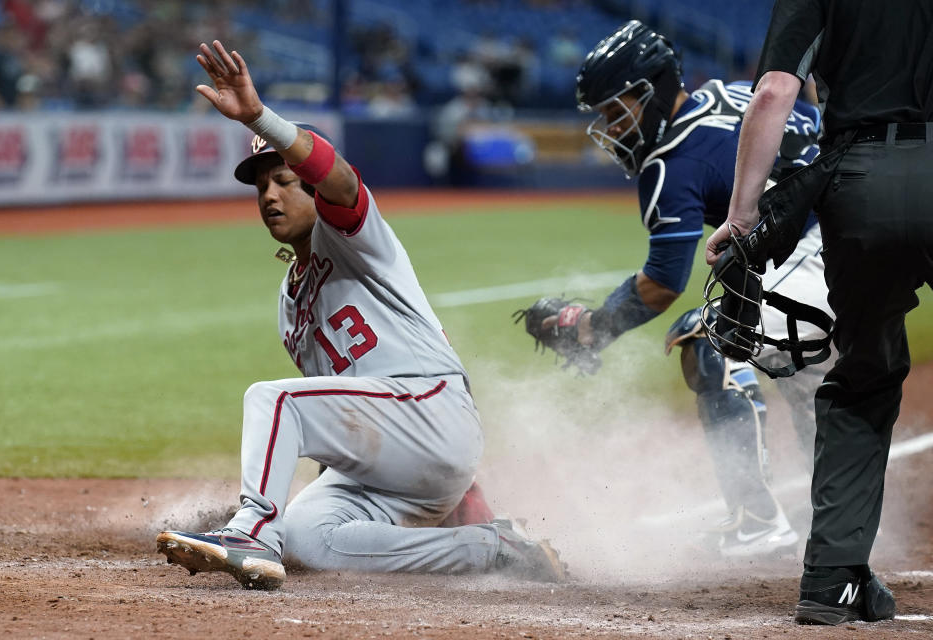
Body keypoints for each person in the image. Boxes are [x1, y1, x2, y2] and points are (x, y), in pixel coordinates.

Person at [155, 40, 565, 590]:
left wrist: (259, 118)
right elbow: (340, 423)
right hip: (395, 457)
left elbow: (341, 181)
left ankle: (251, 530)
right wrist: (470, 501)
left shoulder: (353, 235)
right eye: (259, 186)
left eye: (282, 180)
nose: (268, 196)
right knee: (310, 536)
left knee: (273, 399)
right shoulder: (289, 303)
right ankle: (491, 549)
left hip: (431, 413)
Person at [558, 21, 832, 557]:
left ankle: (755, 521)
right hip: (851, 228)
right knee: (808, 382)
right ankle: (841, 518)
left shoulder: (667, 166)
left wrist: (591, 328)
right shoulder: (723, 93)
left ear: (650, 91)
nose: (612, 129)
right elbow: (812, 119)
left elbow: (662, 284)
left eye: (617, 111)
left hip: (821, 247)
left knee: (713, 337)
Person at [705, 0, 930, 627]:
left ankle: (832, 581)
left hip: (862, 182)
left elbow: (776, 92)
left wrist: (743, 217)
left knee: (862, 376)